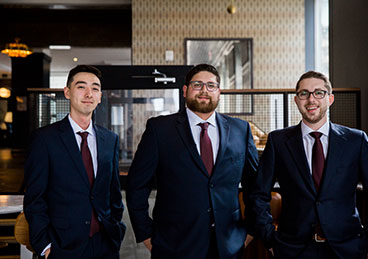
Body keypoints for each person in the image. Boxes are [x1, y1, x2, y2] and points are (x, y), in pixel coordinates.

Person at [247, 71, 368, 259]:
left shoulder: (356, 141)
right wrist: (270, 240)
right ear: (296, 100)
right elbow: (258, 195)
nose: (311, 99)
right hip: (292, 249)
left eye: (319, 93)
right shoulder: (278, 141)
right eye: (304, 93)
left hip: (347, 249)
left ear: (330, 99)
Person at [126, 64, 258, 259]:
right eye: (198, 84)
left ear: (219, 92)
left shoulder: (241, 129)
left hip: (228, 244)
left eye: (211, 85)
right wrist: (145, 234)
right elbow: (137, 185)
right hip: (174, 245)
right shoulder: (159, 129)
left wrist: (251, 231)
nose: (204, 90)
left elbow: (254, 186)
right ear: (185, 90)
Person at [24, 65, 126, 259]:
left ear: (100, 96)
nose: (89, 93)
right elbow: (34, 199)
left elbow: (113, 193)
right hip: (62, 246)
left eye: (95, 88)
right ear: (67, 92)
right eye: (81, 87)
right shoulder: (44, 139)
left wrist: (115, 230)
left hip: (104, 245)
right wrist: (45, 246)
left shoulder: (110, 139)